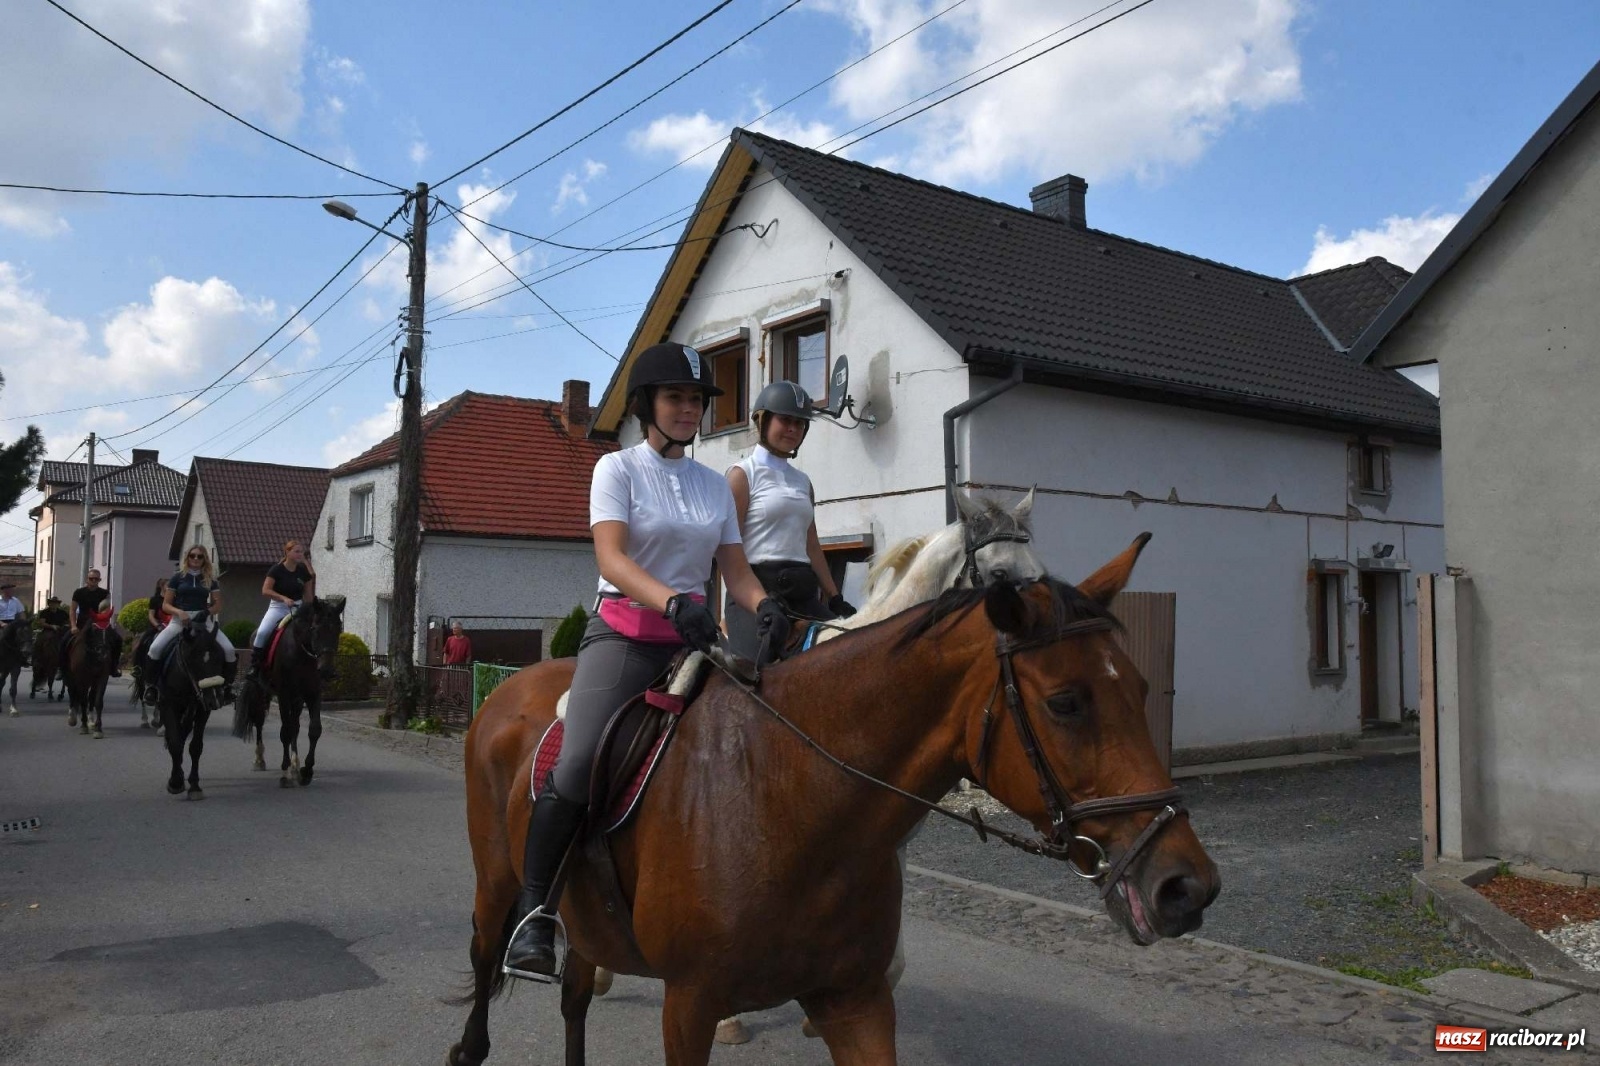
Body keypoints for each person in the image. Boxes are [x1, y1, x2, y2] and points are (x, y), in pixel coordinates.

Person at [502, 341, 791, 982]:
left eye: (696, 400)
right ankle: (534, 918)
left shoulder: (715, 485)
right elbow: (612, 560)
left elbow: (734, 571)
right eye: (675, 398)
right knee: (577, 766)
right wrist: (669, 602)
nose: (689, 410)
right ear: (646, 406)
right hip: (626, 640)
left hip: (693, 644)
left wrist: (765, 605)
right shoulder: (617, 470)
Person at [724, 380, 855, 661]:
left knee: (853, 648)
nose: (793, 429)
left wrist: (834, 598)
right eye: (785, 420)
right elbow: (727, 548)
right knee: (759, 675)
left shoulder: (802, 481)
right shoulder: (741, 475)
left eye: (800, 423)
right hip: (756, 594)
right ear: (763, 420)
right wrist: (758, 602)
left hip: (804, 593)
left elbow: (811, 546)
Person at [145, 545, 236, 701]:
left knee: (229, 650)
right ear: (187, 558)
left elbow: (218, 605)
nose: (195, 559)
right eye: (192, 556)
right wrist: (179, 612)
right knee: (155, 648)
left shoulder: (210, 579)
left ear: (204, 559)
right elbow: (165, 605)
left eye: (200, 556)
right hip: (179, 621)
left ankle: (227, 687)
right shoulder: (177, 578)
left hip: (203, 621)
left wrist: (207, 612)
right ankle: (152, 687)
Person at [245, 539, 315, 681]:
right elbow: (265, 590)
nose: (299, 554)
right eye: (296, 551)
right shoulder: (276, 570)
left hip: (298, 608)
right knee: (263, 632)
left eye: (301, 552)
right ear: (287, 552)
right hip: (278, 607)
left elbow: (308, 596)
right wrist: (283, 598)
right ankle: (255, 665)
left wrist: (311, 610)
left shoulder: (303, 572)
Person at [69, 569, 122, 676]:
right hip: (82, 623)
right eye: (91, 578)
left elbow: (106, 609)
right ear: (87, 579)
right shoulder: (79, 592)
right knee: (65, 640)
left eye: (96, 579)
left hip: (100, 623)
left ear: (99, 580)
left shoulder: (104, 593)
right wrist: (73, 626)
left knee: (118, 639)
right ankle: (62, 668)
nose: (93, 581)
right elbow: (73, 609)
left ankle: (114, 667)